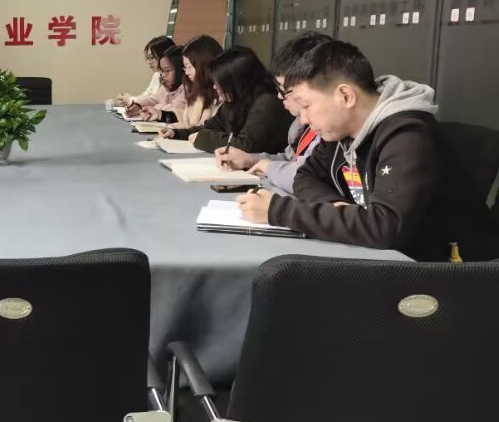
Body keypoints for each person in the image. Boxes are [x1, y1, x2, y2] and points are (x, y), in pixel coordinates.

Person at [235, 39, 451, 260]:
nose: (304, 119)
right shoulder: (340, 130)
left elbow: (385, 227)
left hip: (423, 267)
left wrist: (280, 211)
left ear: (346, 96)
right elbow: (305, 176)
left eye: (307, 106)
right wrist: (337, 209)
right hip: (370, 256)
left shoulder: (407, 135)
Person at [214, 32, 330, 196]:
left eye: (284, 91)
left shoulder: (329, 130)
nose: (280, 97)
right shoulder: (302, 125)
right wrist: (251, 160)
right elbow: (291, 159)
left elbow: (305, 176)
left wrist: (268, 168)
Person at [176, 46, 293, 154]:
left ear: (234, 81)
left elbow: (246, 146)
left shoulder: (267, 103)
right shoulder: (236, 99)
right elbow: (211, 127)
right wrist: (177, 134)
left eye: (219, 82)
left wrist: (204, 139)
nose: (215, 87)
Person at [157, 34, 224, 133]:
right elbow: (188, 123)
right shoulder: (196, 89)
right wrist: (171, 129)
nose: (187, 72)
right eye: (185, 67)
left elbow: (206, 130)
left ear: (204, 66)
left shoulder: (222, 94)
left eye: (190, 67)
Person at [114, 36, 174, 107]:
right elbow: (147, 96)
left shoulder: (175, 78)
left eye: (152, 57)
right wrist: (129, 100)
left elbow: (158, 103)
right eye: (148, 58)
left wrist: (131, 100)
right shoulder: (157, 75)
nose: (149, 62)